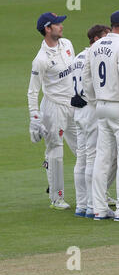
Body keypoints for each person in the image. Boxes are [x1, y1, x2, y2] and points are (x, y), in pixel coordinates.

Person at [82, 10, 119, 221]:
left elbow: (86, 80)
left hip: (101, 106)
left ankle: (98, 208)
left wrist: (95, 100)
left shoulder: (96, 46)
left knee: (102, 158)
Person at [28, 12, 77, 210]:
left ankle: (96, 193)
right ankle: (57, 199)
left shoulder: (67, 44)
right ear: (48, 29)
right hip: (53, 107)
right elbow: (32, 91)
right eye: (57, 24)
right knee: (55, 152)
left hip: (74, 104)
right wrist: (35, 118)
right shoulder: (40, 60)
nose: (61, 26)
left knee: (85, 148)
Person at [71, 24, 115, 218]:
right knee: (93, 158)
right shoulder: (93, 56)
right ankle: (92, 205)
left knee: (81, 159)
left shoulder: (77, 57)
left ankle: (81, 205)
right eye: (106, 37)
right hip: (91, 110)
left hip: (77, 111)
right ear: (97, 39)